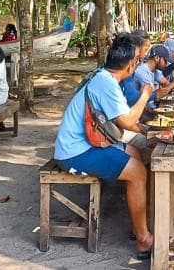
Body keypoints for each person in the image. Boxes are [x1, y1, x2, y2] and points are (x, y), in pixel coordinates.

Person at [54, 33, 154, 258]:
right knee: (137, 172)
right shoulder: (106, 83)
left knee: (137, 154)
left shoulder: (103, 76)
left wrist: (147, 129)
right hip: (75, 153)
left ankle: (139, 223)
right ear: (130, 65)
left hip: (84, 144)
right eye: (137, 61)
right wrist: (146, 95)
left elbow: (122, 120)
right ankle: (143, 240)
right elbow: (126, 121)